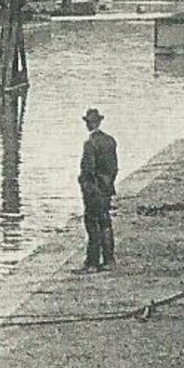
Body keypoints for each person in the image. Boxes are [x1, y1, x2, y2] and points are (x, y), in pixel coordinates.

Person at [79, 107, 118, 271]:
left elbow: (88, 170)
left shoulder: (90, 144)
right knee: (105, 222)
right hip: (107, 188)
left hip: (93, 190)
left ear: (89, 124)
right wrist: (108, 184)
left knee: (92, 224)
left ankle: (92, 262)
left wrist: (86, 186)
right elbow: (114, 167)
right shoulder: (110, 141)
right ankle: (109, 260)